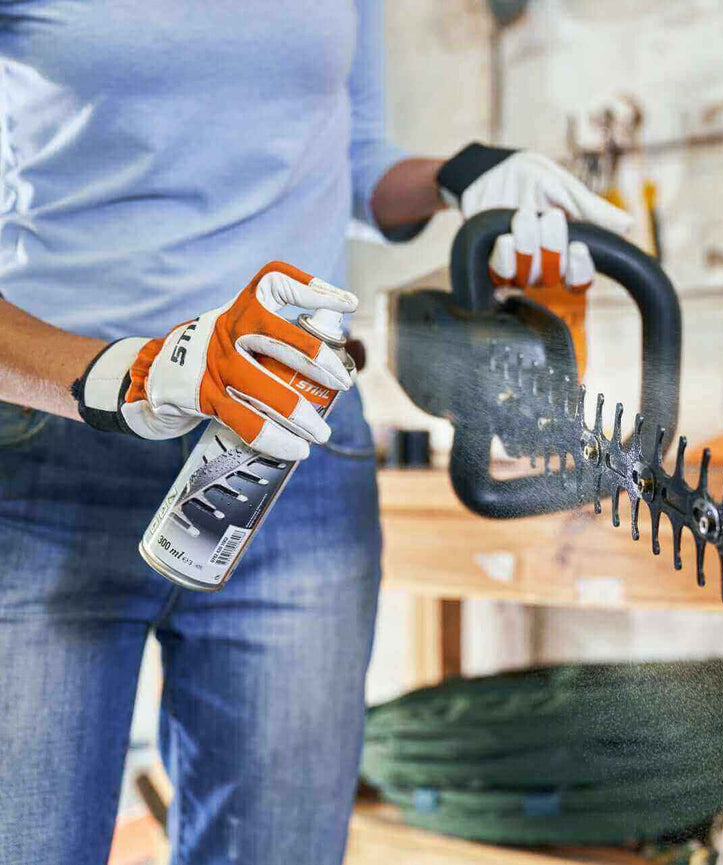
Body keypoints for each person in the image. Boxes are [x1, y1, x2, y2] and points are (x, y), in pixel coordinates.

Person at [0, 2, 630, 862]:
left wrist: (465, 173)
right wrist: (121, 374)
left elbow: (360, 159)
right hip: (48, 455)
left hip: (292, 460)